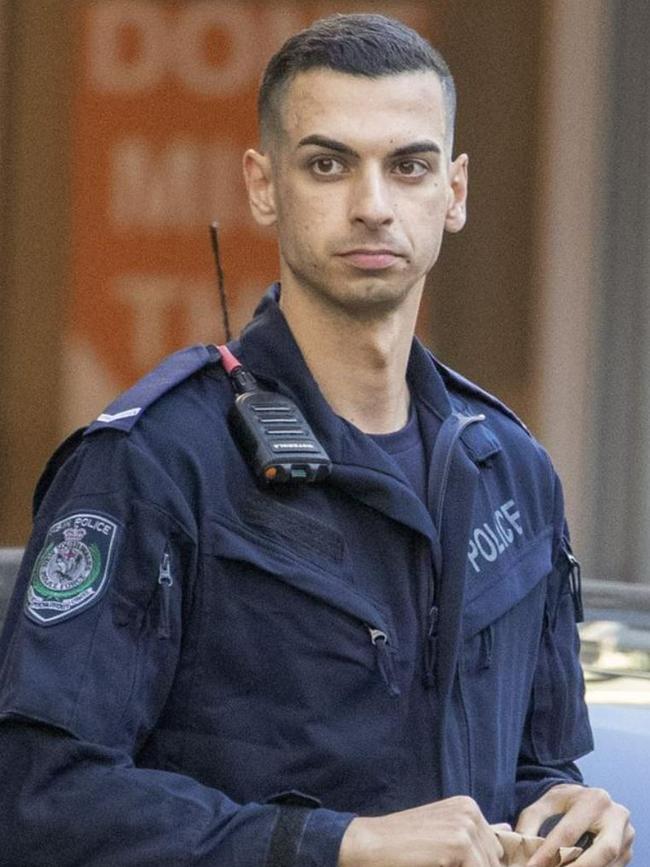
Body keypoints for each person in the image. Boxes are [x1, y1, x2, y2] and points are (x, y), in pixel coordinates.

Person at [0, 13, 634, 867]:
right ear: (264, 187)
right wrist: (337, 845)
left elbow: (529, 768)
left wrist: (566, 816)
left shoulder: (513, 473)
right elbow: (39, 797)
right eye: (328, 164)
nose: (372, 205)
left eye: (408, 166)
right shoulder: (153, 463)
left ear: (454, 192)